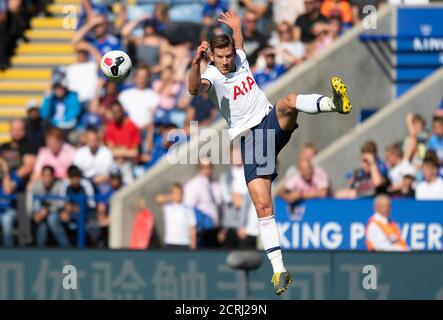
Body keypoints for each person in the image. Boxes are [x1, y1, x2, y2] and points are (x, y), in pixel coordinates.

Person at [188, 11, 352, 295]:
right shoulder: (211, 75)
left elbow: (238, 43)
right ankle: (279, 271)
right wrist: (194, 63)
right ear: (212, 56)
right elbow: (193, 89)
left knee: (288, 102)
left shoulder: (239, 58)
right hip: (252, 143)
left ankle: (334, 104)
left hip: (268, 123)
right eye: (222, 57)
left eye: (229, 55)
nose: (227, 61)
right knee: (263, 206)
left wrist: (237, 27)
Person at [155, 183, 197, 250]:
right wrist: (171, 197)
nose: (178, 194)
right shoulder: (167, 207)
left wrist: (193, 244)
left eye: (180, 192)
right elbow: (158, 199)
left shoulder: (188, 209)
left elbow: (192, 228)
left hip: (184, 243)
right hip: (170, 243)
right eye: (176, 192)